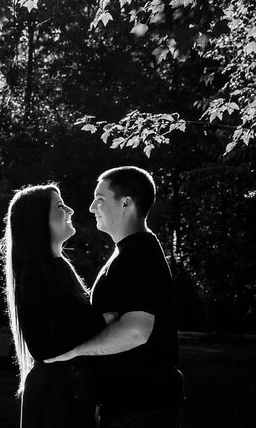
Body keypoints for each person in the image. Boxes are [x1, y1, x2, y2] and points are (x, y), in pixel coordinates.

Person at [45, 166, 184, 427]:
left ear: (126, 203)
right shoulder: (127, 252)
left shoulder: (140, 254)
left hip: (143, 407)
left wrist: (70, 351)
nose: (91, 207)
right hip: (126, 407)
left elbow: (135, 331)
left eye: (100, 199)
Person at [1, 183, 116, 428]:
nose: (71, 210)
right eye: (60, 206)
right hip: (56, 396)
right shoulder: (35, 272)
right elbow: (42, 348)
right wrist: (103, 320)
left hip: (70, 390)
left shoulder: (58, 266)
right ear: (38, 220)